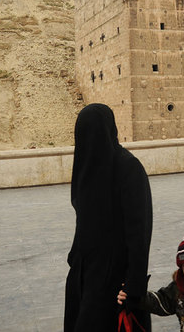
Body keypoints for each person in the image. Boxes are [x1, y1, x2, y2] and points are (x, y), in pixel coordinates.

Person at [64, 103, 153, 331]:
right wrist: (75, 258)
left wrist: (134, 285)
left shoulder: (128, 168)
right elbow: (83, 222)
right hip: (84, 274)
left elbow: (139, 232)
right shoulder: (85, 169)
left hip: (115, 277)